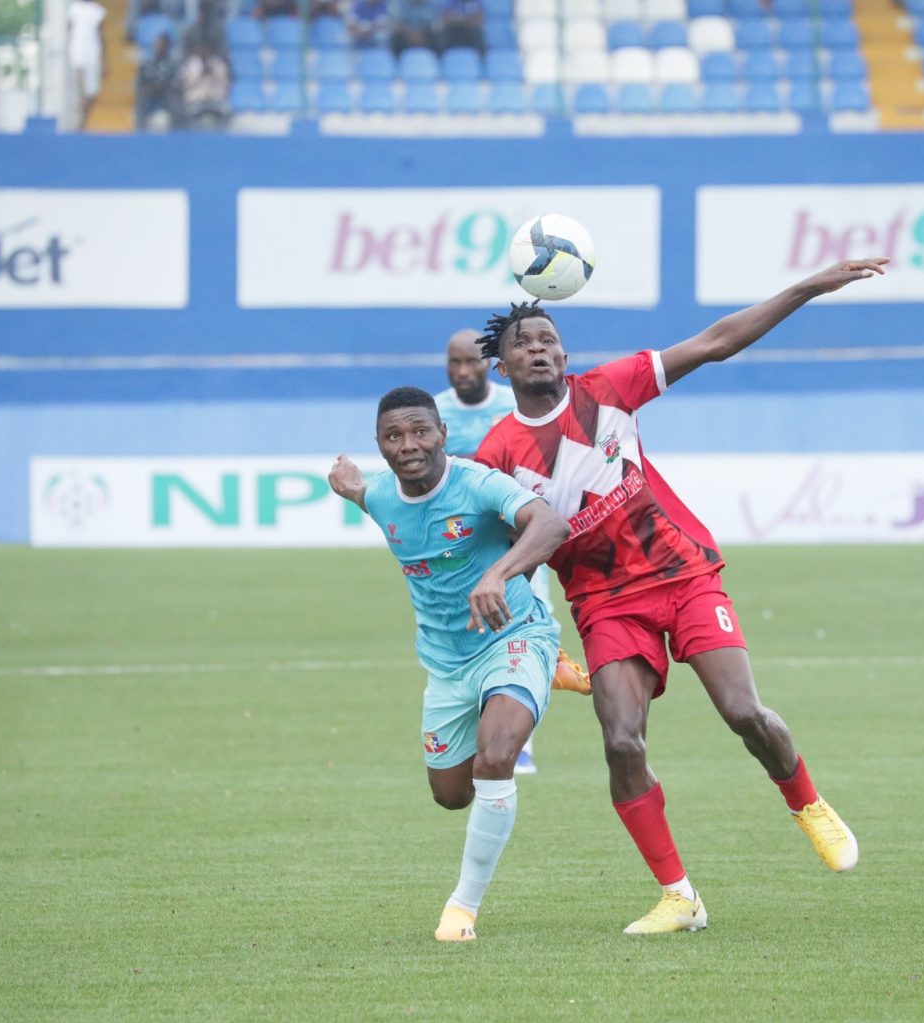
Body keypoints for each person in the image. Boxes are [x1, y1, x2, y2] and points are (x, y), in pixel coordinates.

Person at [473, 257, 888, 934]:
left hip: (683, 575)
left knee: (743, 711)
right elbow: (501, 551)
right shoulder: (498, 454)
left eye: (547, 338)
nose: (537, 348)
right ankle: (678, 897)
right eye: (523, 343)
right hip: (605, 603)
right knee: (622, 743)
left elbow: (715, 343)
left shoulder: (610, 387)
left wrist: (809, 287)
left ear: (565, 353)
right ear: (505, 368)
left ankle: (807, 802)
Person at [327, 387, 569, 942]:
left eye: (420, 432)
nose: (409, 445)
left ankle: (462, 907)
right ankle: (553, 669)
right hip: (446, 666)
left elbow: (550, 525)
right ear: (380, 445)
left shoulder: (478, 481)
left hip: (513, 636)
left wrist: (498, 574)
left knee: (498, 756)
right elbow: (366, 494)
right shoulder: (383, 497)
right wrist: (350, 489)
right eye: (394, 436)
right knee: (452, 795)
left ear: (441, 433)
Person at [435, 328, 592, 776]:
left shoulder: (513, 404)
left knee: (524, 622)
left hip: (519, 533)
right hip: (464, 541)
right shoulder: (435, 412)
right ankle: (476, 735)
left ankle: (519, 745)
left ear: (490, 363)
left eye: (472, 362)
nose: (464, 371)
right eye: (455, 363)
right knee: (471, 632)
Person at [66, 0, 108, 127]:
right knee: (79, 92)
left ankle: (82, 120)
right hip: (76, 56)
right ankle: (79, 123)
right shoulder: (73, 9)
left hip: (92, 56)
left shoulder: (98, 11)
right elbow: (69, 28)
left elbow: (101, 35)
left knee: (91, 92)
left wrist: (104, 60)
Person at [136, 33, 183, 130]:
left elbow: (177, 81)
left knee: (175, 103)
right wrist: (148, 87)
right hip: (150, 91)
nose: (160, 46)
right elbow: (140, 80)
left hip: (167, 91)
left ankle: (177, 130)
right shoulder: (148, 63)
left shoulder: (173, 64)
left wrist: (165, 86)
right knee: (142, 100)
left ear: (167, 46)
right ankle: (140, 130)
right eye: (158, 44)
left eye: (163, 44)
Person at [181, 41, 232, 130]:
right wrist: (200, 74)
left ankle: (221, 133)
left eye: (205, 50)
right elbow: (186, 83)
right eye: (201, 50)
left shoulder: (218, 63)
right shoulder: (191, 64)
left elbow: (224, 82)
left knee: (227, 110)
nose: (203, 52)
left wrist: (213, 74)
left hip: (215, 98)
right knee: (188, 113)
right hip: (196, 98)